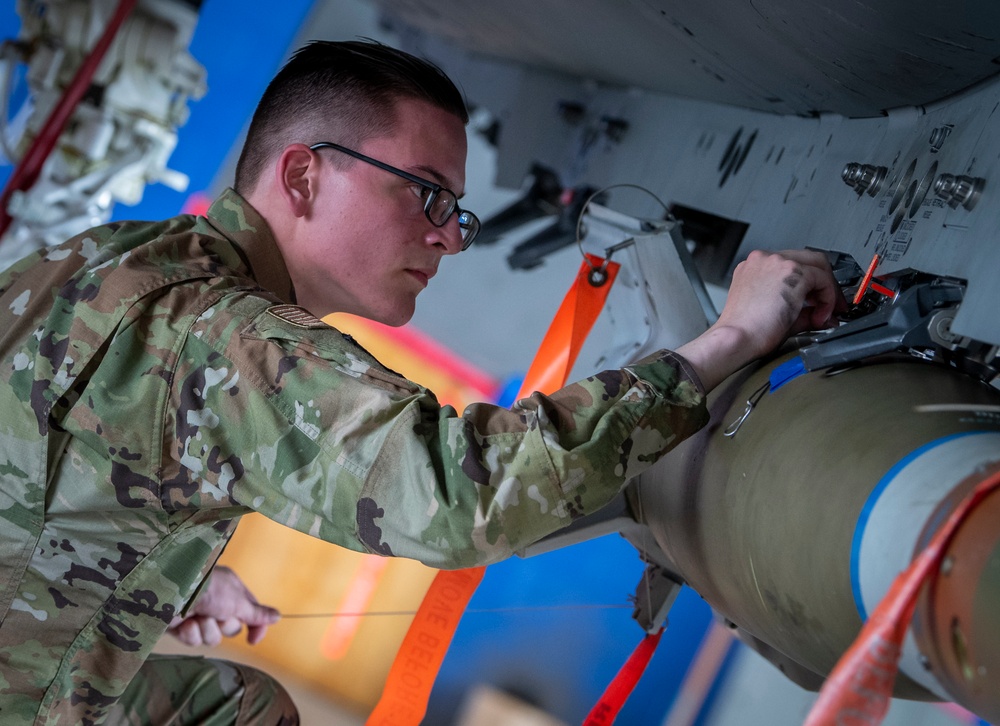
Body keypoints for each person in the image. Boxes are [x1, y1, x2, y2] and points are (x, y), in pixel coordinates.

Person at [0, 39, 844, 725]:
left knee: (236, 706)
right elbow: (459, 496)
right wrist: (732, 338)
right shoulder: (227, 339)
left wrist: (139, 577)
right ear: (303, 176)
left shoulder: (105, 256)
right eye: (426, 196)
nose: (449, 239)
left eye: (457, 212)